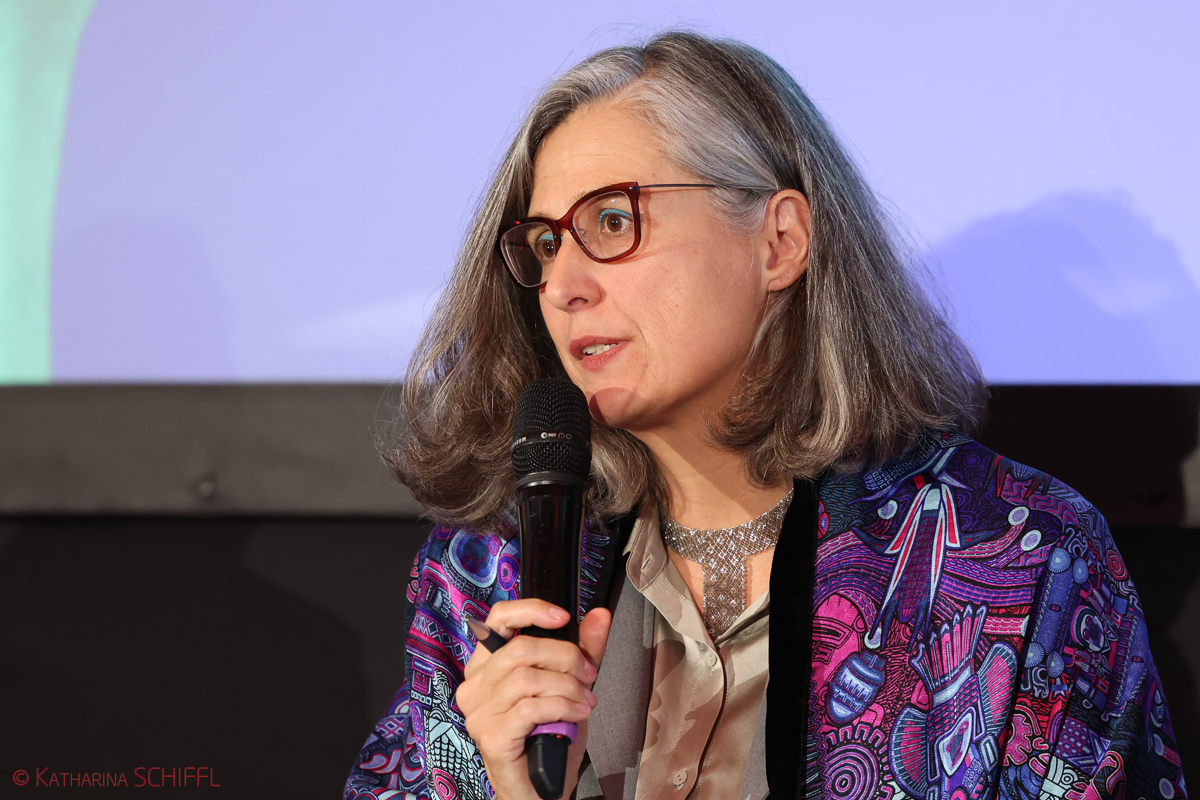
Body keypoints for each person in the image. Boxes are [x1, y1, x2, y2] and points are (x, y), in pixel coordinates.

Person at [345, 31, 1186, 800]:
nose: (563, 285)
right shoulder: (489, 578)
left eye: (611, 220)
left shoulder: (1013, 559)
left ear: (779, 241)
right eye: (545, 244)